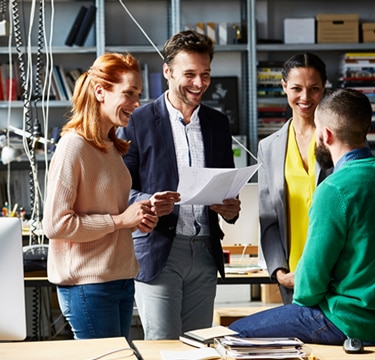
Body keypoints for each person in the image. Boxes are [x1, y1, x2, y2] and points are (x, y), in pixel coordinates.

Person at [116, 29, 241, 340]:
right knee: (162, 346)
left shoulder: (217, 123)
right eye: (189, 74)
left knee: (199, 347)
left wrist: (230, 206)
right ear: (168, 72)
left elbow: (227, 184)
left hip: (205, 252)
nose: (199, 84)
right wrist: (148, 200)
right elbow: (119, 190)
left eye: (205, 74)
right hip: (158, 251)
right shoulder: (137, 121)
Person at [230, 88, 375, 345]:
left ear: (325, 134)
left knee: (235, 333)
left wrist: (302, 298)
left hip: (347, 319)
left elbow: (310, 286)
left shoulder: (334, 189)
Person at [42, 53, 159, 340]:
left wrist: (138, 215)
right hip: (87, 285)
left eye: (139, 95)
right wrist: (120, 221)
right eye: (129, 94)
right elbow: (55, 225)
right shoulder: (73, 146)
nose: (136, 104)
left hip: (119, 278)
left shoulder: (110, 146)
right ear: (100, 92)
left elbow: (107, 208)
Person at [258, 53, 331, 304]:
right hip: (292, 275)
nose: (305, 97)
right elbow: (268, 219)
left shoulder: (340, 140)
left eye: (314, 89)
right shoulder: (269, 147)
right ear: (283, 87)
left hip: (336, 272)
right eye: (296, 88)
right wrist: (279, 272)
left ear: (324, 88)